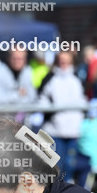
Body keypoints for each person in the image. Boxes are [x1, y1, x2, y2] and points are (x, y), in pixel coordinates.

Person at [37, 50, 85, 184]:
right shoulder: (50, 79)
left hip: (73, 131)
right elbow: (41, 101)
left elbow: (81, 101)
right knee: (56, 167)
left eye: (66, 61)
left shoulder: (77, 79)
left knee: (70, 165)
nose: (64, 63)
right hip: (55, 131)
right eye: (61, 61)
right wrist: (52, 112)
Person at [0, 46, 35, 121]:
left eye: (20, 59)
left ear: (25, 59)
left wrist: (13, 100)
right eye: (14, 58)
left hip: (16, 121)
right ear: (8, 58)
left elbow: (32, 98)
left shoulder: (27, 72)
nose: (17, 61)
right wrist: (18, 95)